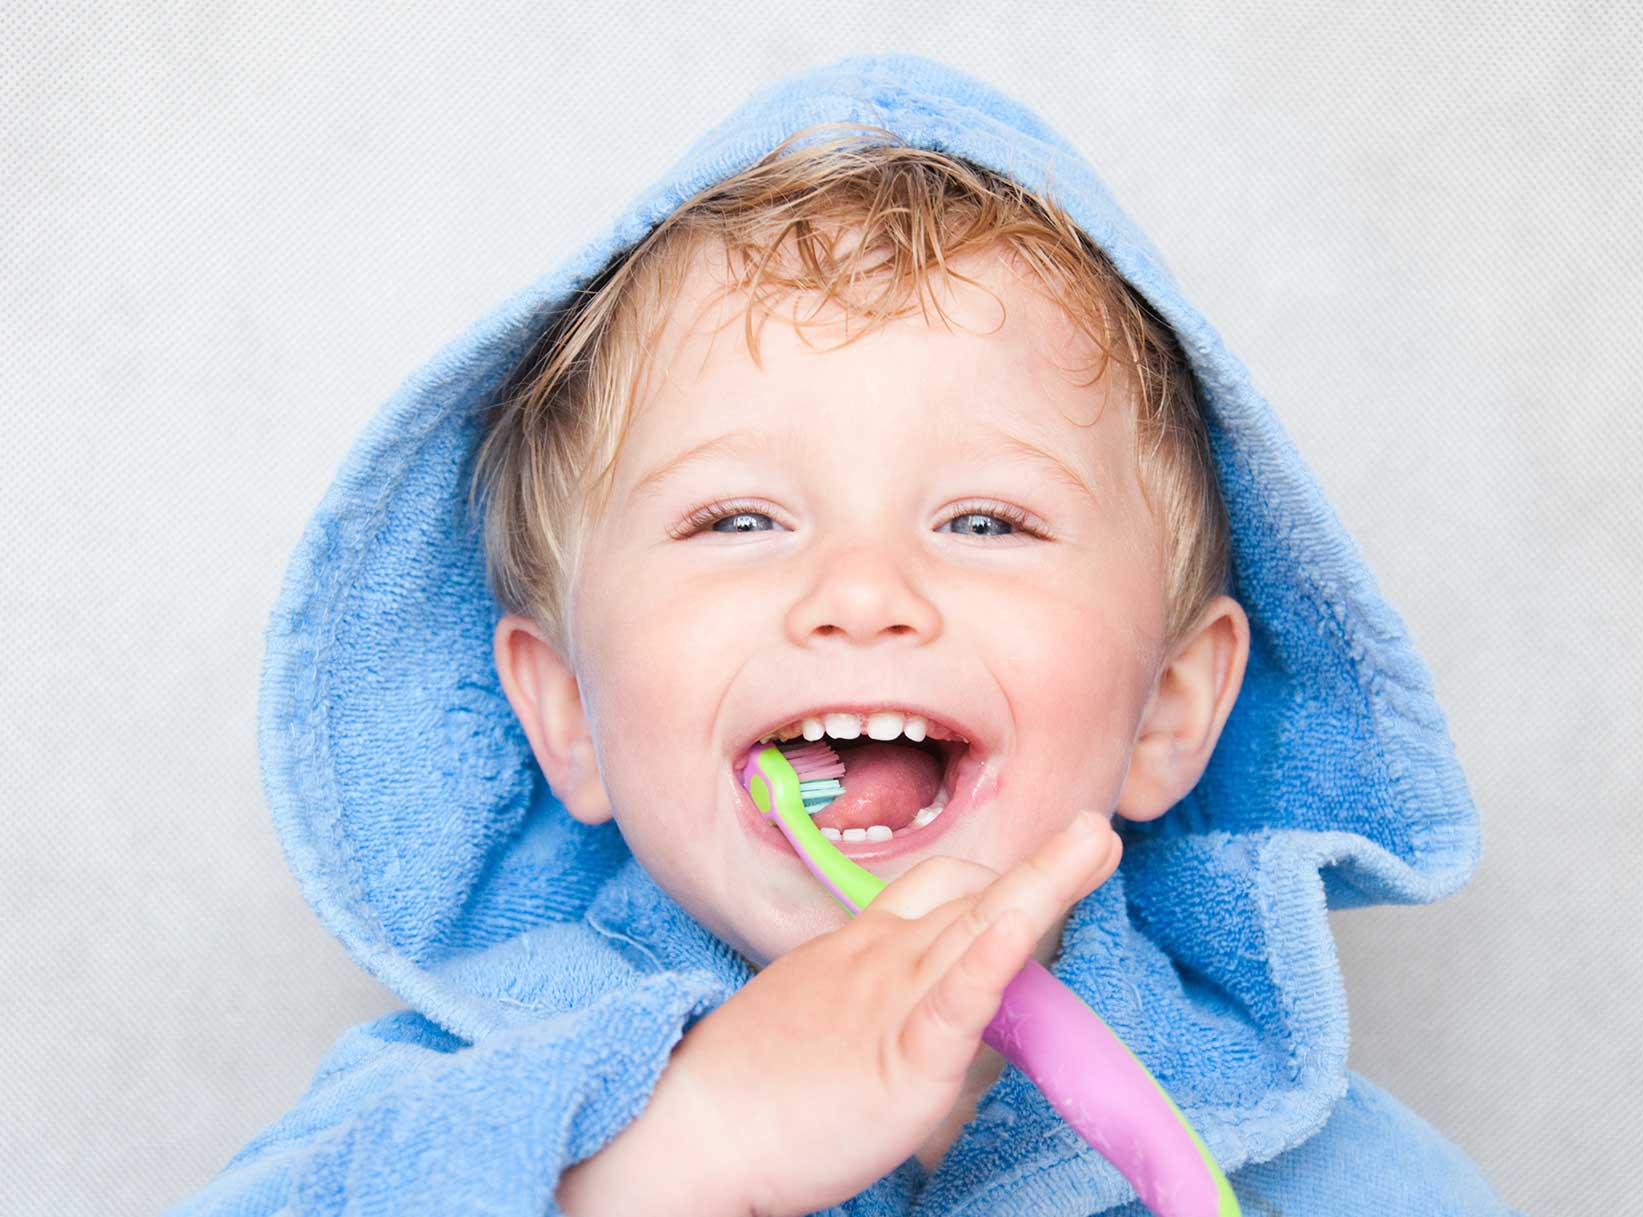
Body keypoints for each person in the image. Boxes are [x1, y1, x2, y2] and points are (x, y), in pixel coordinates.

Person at [169, 53, 1523, 1216]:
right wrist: (678, 1152)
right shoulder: (430, 1118)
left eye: (985, 520)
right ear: (569, 710)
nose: (861, 591)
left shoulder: (1319, 1169)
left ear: (1168, 707)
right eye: (738, 518)